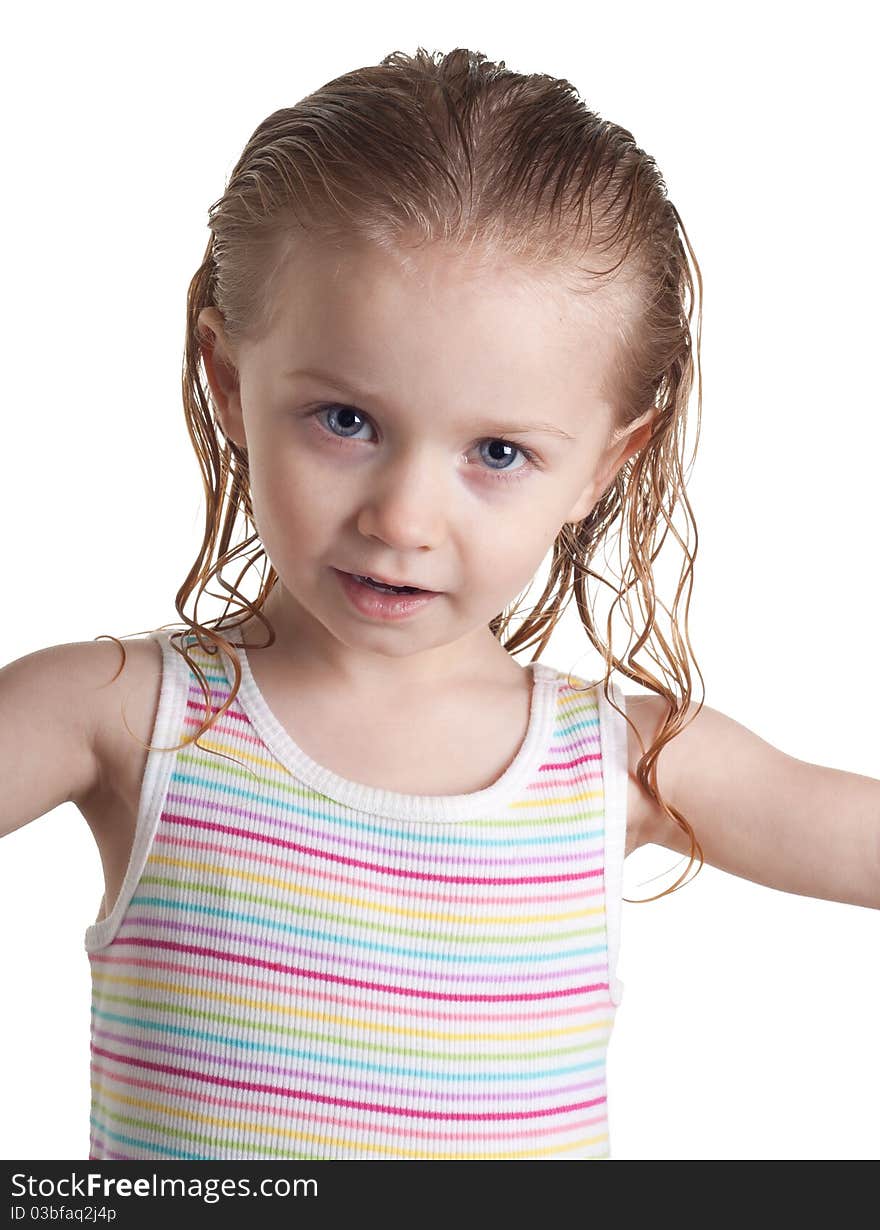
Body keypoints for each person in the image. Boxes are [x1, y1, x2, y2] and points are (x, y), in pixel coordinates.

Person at [1, 45, 877, 1163]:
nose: (404, 518)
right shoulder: (121, 715)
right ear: (230, 383)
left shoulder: (618, 761)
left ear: (605, 464)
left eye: (498, 450)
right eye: (345, 421)